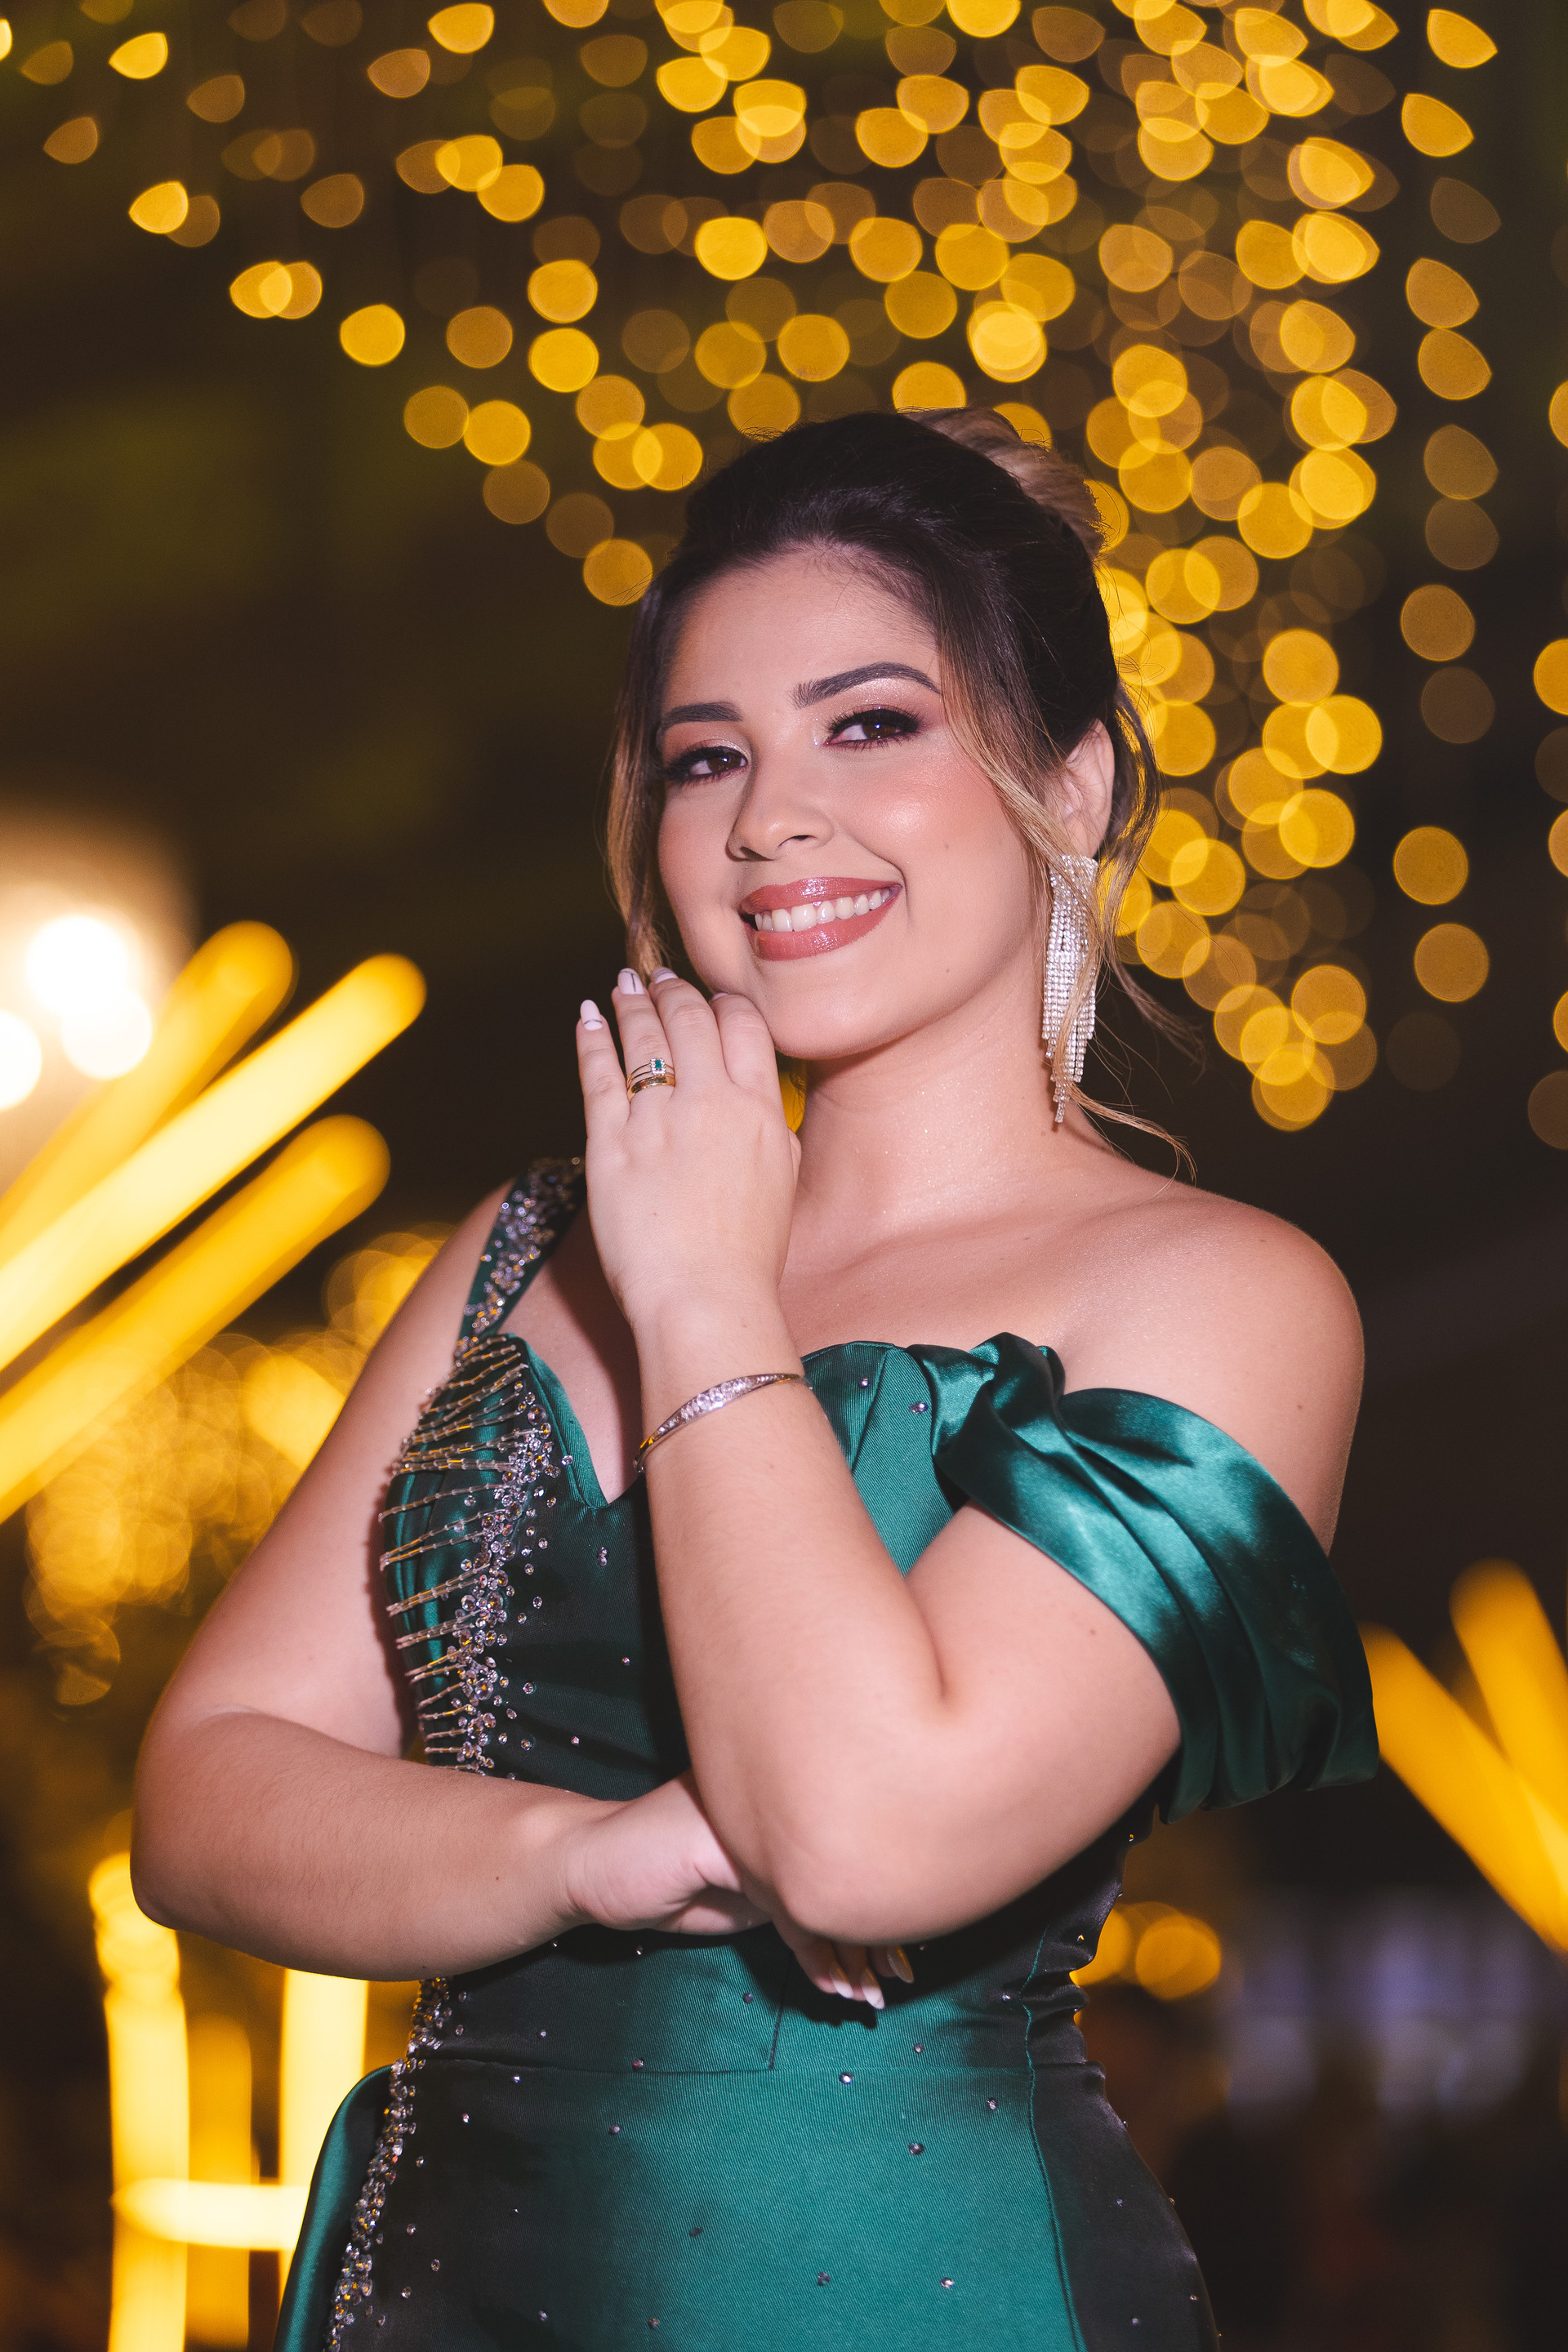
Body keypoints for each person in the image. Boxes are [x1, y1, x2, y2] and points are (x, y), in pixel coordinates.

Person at [133, 408, 1376, 2351]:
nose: (767, 820)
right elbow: (205, 1799)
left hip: (906, 2290)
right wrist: (583, 1856)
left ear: (1073, 782)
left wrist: (708, 1295)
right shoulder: (522, 1251)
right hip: (441, 2287)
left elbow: (867, 1842)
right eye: (706, 756)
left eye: (869, 725)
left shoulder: (1222, 1294)